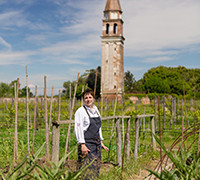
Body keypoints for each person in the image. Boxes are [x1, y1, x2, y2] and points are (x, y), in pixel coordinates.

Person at [74, 88, 109, 179]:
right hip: (87, 143)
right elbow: (79, 129)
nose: (88, 99)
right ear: (83, 100)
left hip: (96, 143)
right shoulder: (80, 112)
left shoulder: (96, 110)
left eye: (90, 97)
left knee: (96, 167)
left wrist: (101, 141)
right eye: (86, 98)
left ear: (93, 99)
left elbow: (98, 127)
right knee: (87, 168)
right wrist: (82, 144)